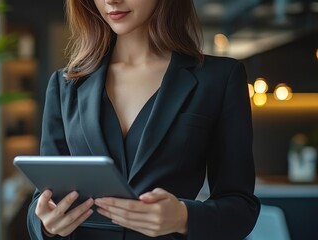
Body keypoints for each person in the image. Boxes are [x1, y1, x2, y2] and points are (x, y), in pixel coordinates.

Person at [27, 0, 260, 239]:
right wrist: (46, 225)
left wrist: (183, 217)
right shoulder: (66, 84)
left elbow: (241, 207)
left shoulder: (219, 79)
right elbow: (43, 199)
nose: (111, 1)